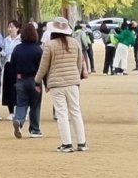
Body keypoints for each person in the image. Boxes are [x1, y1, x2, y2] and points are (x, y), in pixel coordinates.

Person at [36, 18, 88, 152]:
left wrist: (37, 80)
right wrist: (76, 77)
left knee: (62, 113)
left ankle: (67, 144)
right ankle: (82, 143)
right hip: (73, 82)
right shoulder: (75, 43)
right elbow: (78, 62)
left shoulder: (50, 45)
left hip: (56, 83)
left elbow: (43, 66)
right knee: (76, 112)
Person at [9, 23, 44, 139]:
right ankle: (35, 130)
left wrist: (15, 78)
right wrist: (44, 82)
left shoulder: (17, 49)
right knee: (35, 105)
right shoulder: (38, 50)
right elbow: (42, 67)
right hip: (35, 80)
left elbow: (12, 65)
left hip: (20, 79)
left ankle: (18, 121)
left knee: (21, 103)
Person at [0, 20, 19, 119]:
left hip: (18, 66)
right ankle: (11, 111)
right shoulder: (5, 40)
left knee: (17, 88)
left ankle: (19, 110)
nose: (10, 29)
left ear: (17, 28)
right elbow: (2, 52)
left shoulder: (20, 40)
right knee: (8, 88)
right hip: (8, 65)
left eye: (12, 27)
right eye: (9, 27)